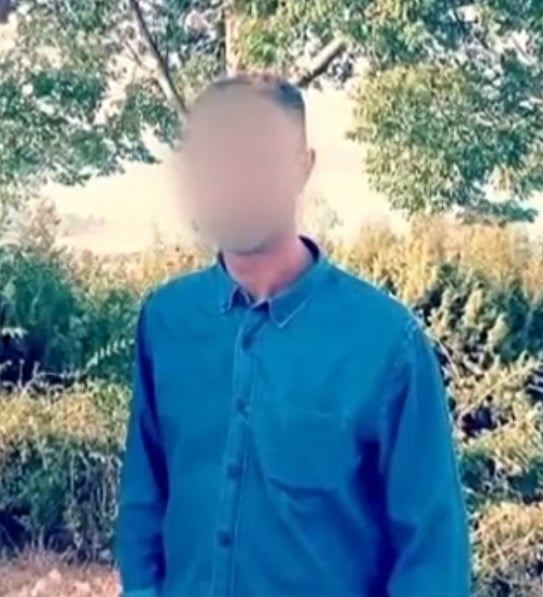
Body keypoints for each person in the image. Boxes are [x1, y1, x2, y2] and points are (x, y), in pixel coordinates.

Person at [116, 73, 471, 597]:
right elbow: (144, 502)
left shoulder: (385, 343)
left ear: (302, 168)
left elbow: (433, 556)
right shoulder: (167, 321)